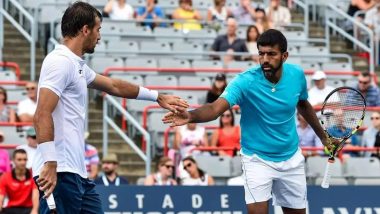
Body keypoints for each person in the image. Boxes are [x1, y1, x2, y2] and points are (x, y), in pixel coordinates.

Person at [33, 2, 188, 213]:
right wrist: (51, 163)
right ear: (85, 29)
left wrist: (157, 96)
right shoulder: (59, 62)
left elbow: (113, 85)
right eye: (98, 29)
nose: (99, 36)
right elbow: (42, 113)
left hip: (77, 173)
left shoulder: (76, 65)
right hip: (59, 171)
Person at [163, 29, 335, 214]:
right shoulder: (244, 81)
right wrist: (191, 115)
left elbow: (302, 104)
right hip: (256, 159)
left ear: (284, 56)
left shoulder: (296, 75)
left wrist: (324, 137)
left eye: (271, 54)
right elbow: (214, 108)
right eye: (261, 54)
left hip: (291, 157)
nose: (265, 59)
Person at [0, 149, 39, 214]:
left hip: (29, 209)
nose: (23, 162)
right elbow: (1, 196)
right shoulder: (5, 177)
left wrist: (35, 210)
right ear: (13, 160)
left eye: (25, 159)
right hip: (11, 209)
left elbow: (35, 195)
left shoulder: (33, 176)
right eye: (19, 159)